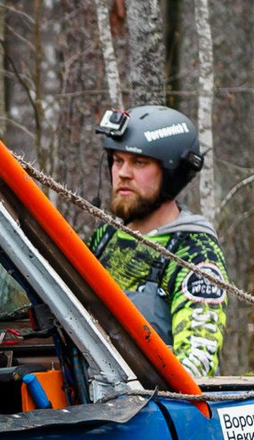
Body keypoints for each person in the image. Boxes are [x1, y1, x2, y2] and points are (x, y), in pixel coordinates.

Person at [84, 105, 228, 380]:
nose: (123, 173)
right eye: (118, 160)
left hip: (153, 401)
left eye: (139, 163)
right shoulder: (105, 237)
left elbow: (198, 362)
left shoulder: (195, 251)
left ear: (172, 172)